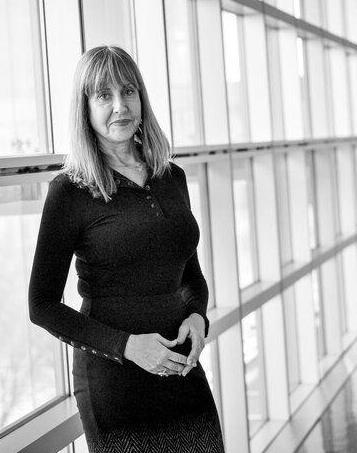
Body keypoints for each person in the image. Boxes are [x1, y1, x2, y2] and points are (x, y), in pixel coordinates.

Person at [28, 46, 225, 452]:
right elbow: (41, 304)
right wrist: (128, 347)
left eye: (128, 91)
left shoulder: (172, 177)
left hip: (180, 369)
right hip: (114, 382)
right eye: (104, 96)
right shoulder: (70, 191)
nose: (120, 106)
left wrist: (197, 317)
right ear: (85, 108)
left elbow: (190, 274)